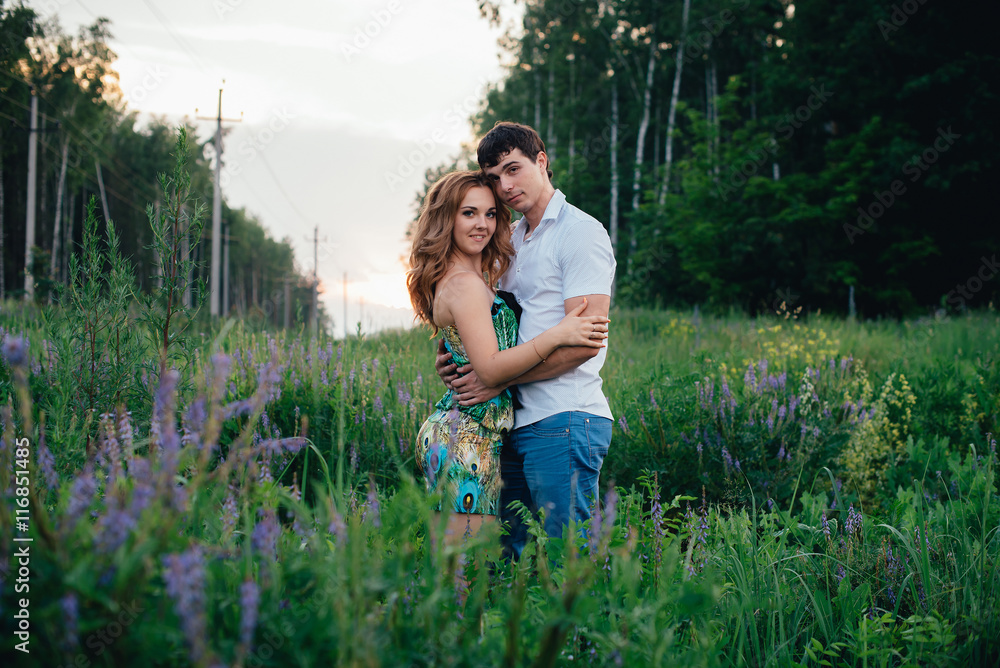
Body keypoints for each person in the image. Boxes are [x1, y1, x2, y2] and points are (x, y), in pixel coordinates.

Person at [436, 122, 617, 559]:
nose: (505, 186)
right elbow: (490, 321)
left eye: (513, 169)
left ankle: (579, 632)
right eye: (495, 177)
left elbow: (584, 343)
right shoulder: (511, 238)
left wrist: (498, 380)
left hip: (564, 417)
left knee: (563, 559)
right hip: (512, 424)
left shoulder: (580, 233)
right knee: (512, 559)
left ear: (542, 161)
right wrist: (456, 358)